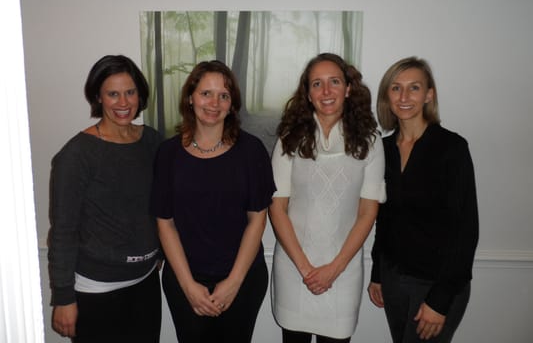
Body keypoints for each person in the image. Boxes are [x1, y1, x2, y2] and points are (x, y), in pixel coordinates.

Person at [151, 60, 276, 343]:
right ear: (190, 98)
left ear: (232, 105)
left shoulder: (251, 151)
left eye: (224, 95)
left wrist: (233, 283)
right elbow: (165, 223)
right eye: (206, 93)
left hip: (242, 280)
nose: (214, 102)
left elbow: (258, 219)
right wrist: (188, 286)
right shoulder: (168, 154)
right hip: (185, 281)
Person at [269, 53, 386, 343]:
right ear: (307, 94)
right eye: (317, 84)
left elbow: (367, 213)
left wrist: (333, 270)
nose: (326, 91)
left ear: (348, 88)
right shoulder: (289, 138)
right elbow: (277, 207)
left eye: (334, 81)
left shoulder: (370, 141)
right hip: (294, 269)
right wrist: (306, 269)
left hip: (343, 272)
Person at [48, 54, 163, 342]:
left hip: (146, 283)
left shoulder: (152, 141)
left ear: (140, 94)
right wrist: (63, 298)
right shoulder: (77, 155)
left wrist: (159, 253)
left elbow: (159, 206)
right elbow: (62, 231)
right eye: (113, 94)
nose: (123, 103)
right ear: (98, 97)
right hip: (97, 291)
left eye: (130, 92)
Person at [368, 56, 479, 343]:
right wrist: (378, 273)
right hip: (393, 281)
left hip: (436, 284)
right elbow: (385, 218)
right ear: (387, 96)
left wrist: (439, 300)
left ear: (429, 95)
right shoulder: (383, 150)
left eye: (414, 88)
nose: (404, 97)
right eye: (396, 88)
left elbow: (466, 231)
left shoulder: (451, 148)